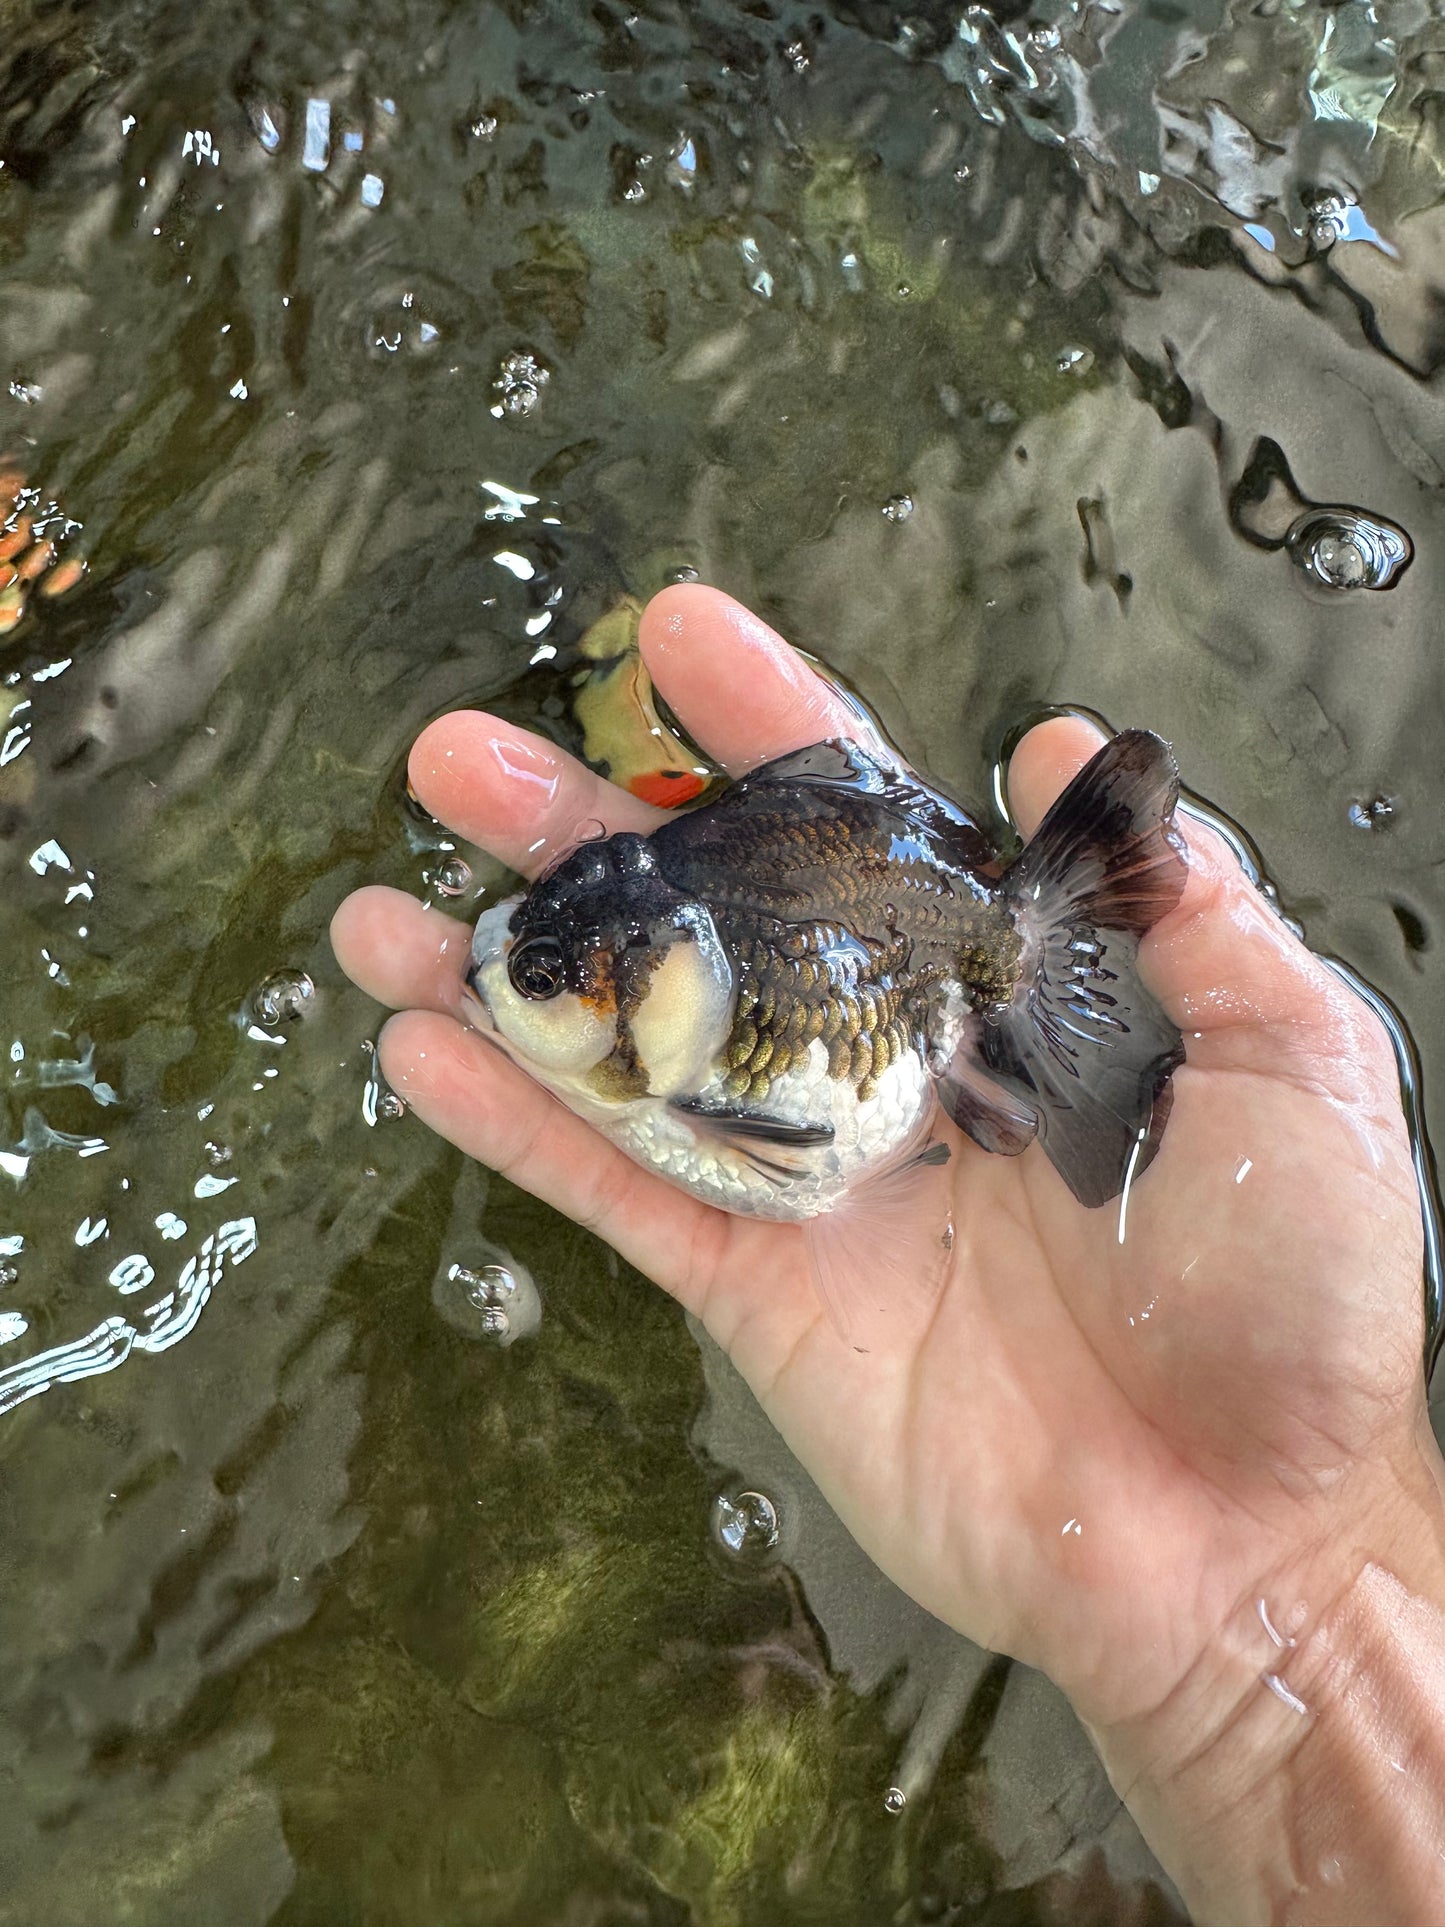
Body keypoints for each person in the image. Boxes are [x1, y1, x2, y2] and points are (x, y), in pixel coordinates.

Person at [332, 585, 1445, 1927]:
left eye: (565, 977)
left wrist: (1288, 1575)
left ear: (648, 978)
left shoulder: (741, 1041)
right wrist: (1287, 1595)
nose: (511, 983)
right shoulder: (678, 1035)